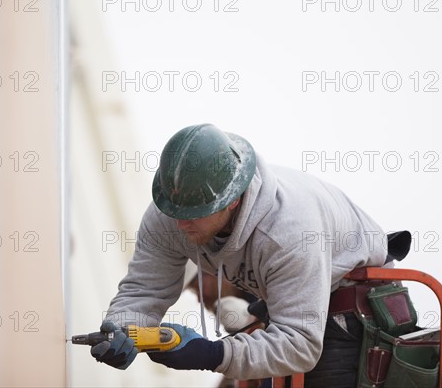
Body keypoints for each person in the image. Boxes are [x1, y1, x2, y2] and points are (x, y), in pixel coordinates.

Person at [91, 124, 391, 387]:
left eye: (194, 214)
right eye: (175, 211)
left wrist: (212, 354)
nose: (181, 224)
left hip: (352, 308)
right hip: (288, 308)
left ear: (232, 200)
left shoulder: (288, 230)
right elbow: (145, 288)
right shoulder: (170, 213)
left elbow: (299, 345)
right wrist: (122, 329)